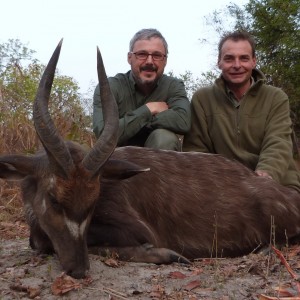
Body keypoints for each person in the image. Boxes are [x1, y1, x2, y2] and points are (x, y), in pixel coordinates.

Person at [183, 30, 300, 191]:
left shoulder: (276, 97)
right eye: (229, 59)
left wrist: (265, 176)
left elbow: (277, 143)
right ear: (219, 62)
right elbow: (196, 150)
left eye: (244, 58)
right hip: (225, 186)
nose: (237, 65)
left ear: (253, 61)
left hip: (276, 183)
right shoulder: (202, 98)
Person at [93, 28, 191, 151]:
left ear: (165, 60)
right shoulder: (110, 87)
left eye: (157, 55)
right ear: (129, 58)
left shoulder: (173, 86)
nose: (149, 61)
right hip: (118, 162)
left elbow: (183, 121)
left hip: (158, 165)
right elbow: (104, 135)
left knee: (163, 138)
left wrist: (130, 124)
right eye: (142, 54)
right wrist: (149, 109)